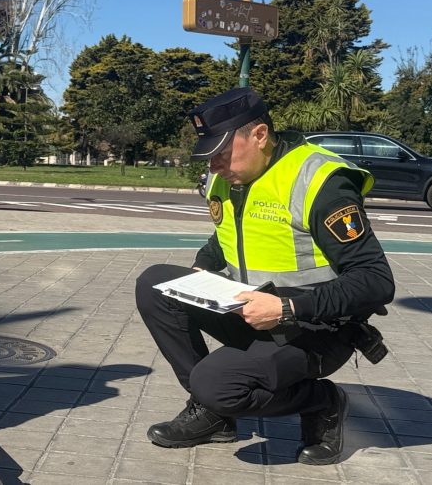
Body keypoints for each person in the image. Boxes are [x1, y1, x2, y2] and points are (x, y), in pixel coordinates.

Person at [135, 87, 394, 465]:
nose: (214, 166)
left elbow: (376, 280)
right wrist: (200, 272)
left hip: (315, 330)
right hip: (254, 312)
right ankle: (214, 414)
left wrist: (288, 307)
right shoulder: (229, 177)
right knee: (156, 283)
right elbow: (223, 239)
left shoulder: (320, 180)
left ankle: (322, 402)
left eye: (221, 153)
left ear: (259, 136)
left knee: (215, 383)